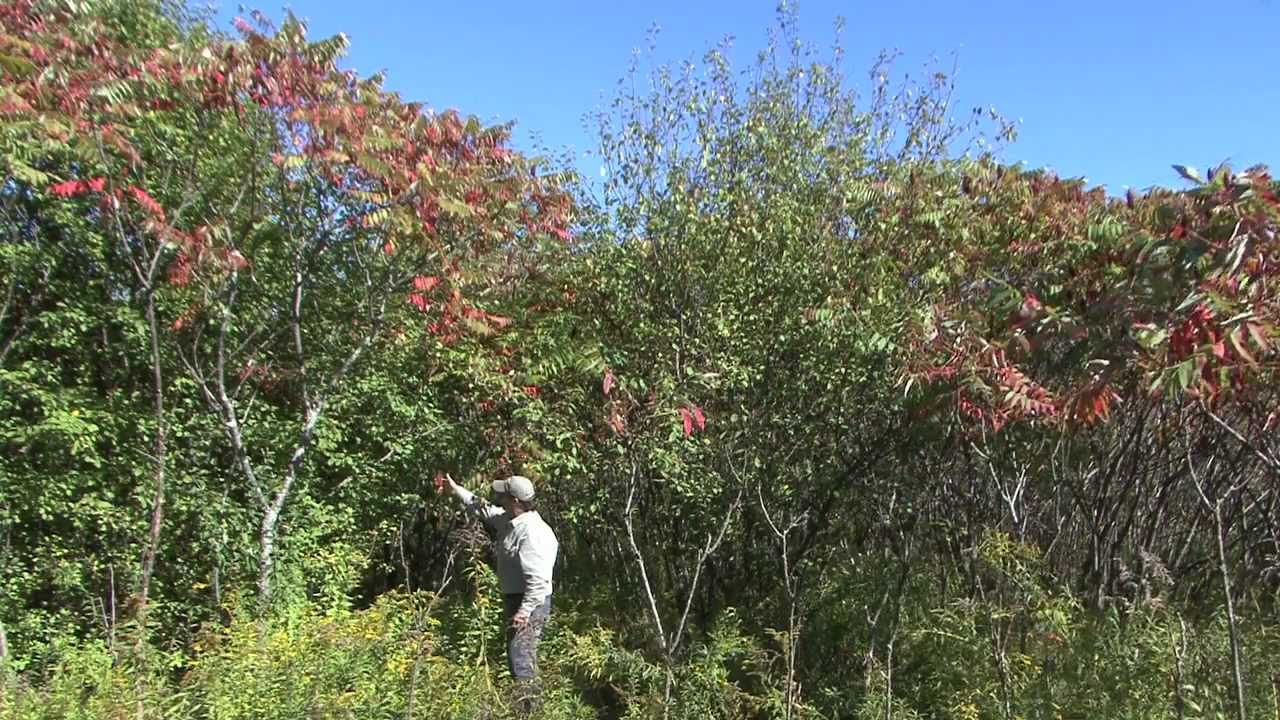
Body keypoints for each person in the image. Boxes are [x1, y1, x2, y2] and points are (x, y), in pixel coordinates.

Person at [436, 472, 559, 690]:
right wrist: (456, 489)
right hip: (518, 599)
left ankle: (529, 710)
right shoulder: (510, 520)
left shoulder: (532, 533)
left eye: (504, 496)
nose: (499, 499)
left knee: (521, 662)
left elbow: (538, 581)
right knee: (518, 658)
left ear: (515, 501)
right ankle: (528, 708)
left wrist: (524, 611)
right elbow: (482, 509)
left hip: (530, 603)